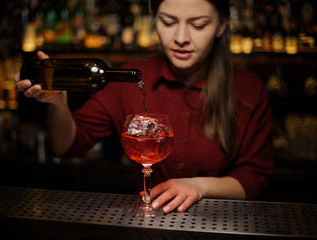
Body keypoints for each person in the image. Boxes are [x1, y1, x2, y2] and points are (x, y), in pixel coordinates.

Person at [14, 0, 274, 213]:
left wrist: (200, 187)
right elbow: (67, 146)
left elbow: (255, 178)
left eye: (198, 25)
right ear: (154, 19)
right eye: (168, 22)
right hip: (144, 221)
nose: (181, 37)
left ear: (221, 25)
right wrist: (58, 102)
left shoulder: (248, 89)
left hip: (219, 223)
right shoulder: (131, 77)